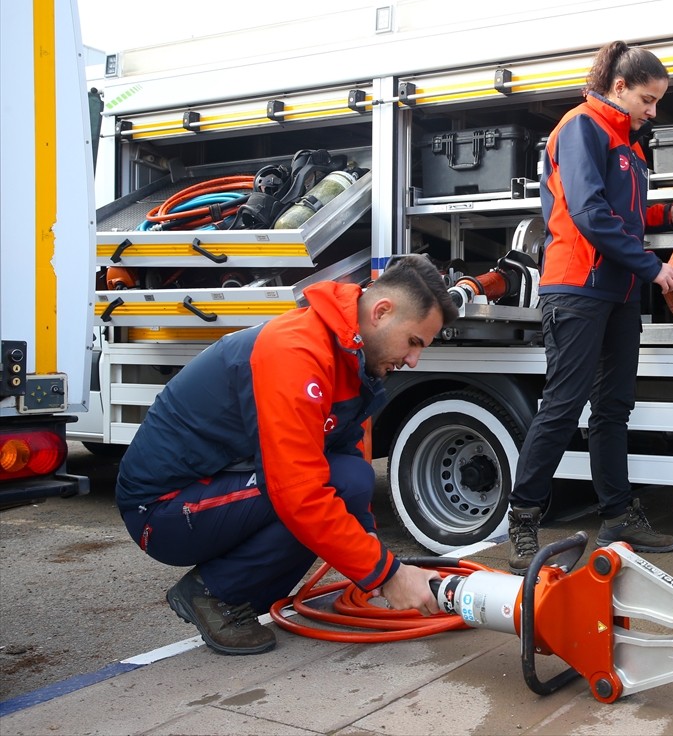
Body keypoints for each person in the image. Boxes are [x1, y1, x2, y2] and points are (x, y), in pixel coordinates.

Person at [116, 255, 459, 655]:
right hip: (162, 511)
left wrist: (367, 543)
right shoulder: (296, 351)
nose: (413, 359)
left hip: (212, 488)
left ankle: (240, 595)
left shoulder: (345, 355)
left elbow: (345, 457)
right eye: (414, 342)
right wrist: (387, 574)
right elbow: (298, 491)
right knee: (311, 492)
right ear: (382, 312)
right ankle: (213, 595)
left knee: (352, 478)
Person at [506, 40, 673, 572]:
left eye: (657, 101)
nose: (653, 111)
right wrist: (652, 267)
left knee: (614, 409)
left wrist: (666, 212)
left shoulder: (628, 146)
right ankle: (522, 520)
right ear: (619, 87)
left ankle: (617, 514)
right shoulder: (580, 127)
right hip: (575, 287)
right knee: (564, 406)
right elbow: (590, 214)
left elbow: (625, 214)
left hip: (615, 292)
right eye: (647, 98)